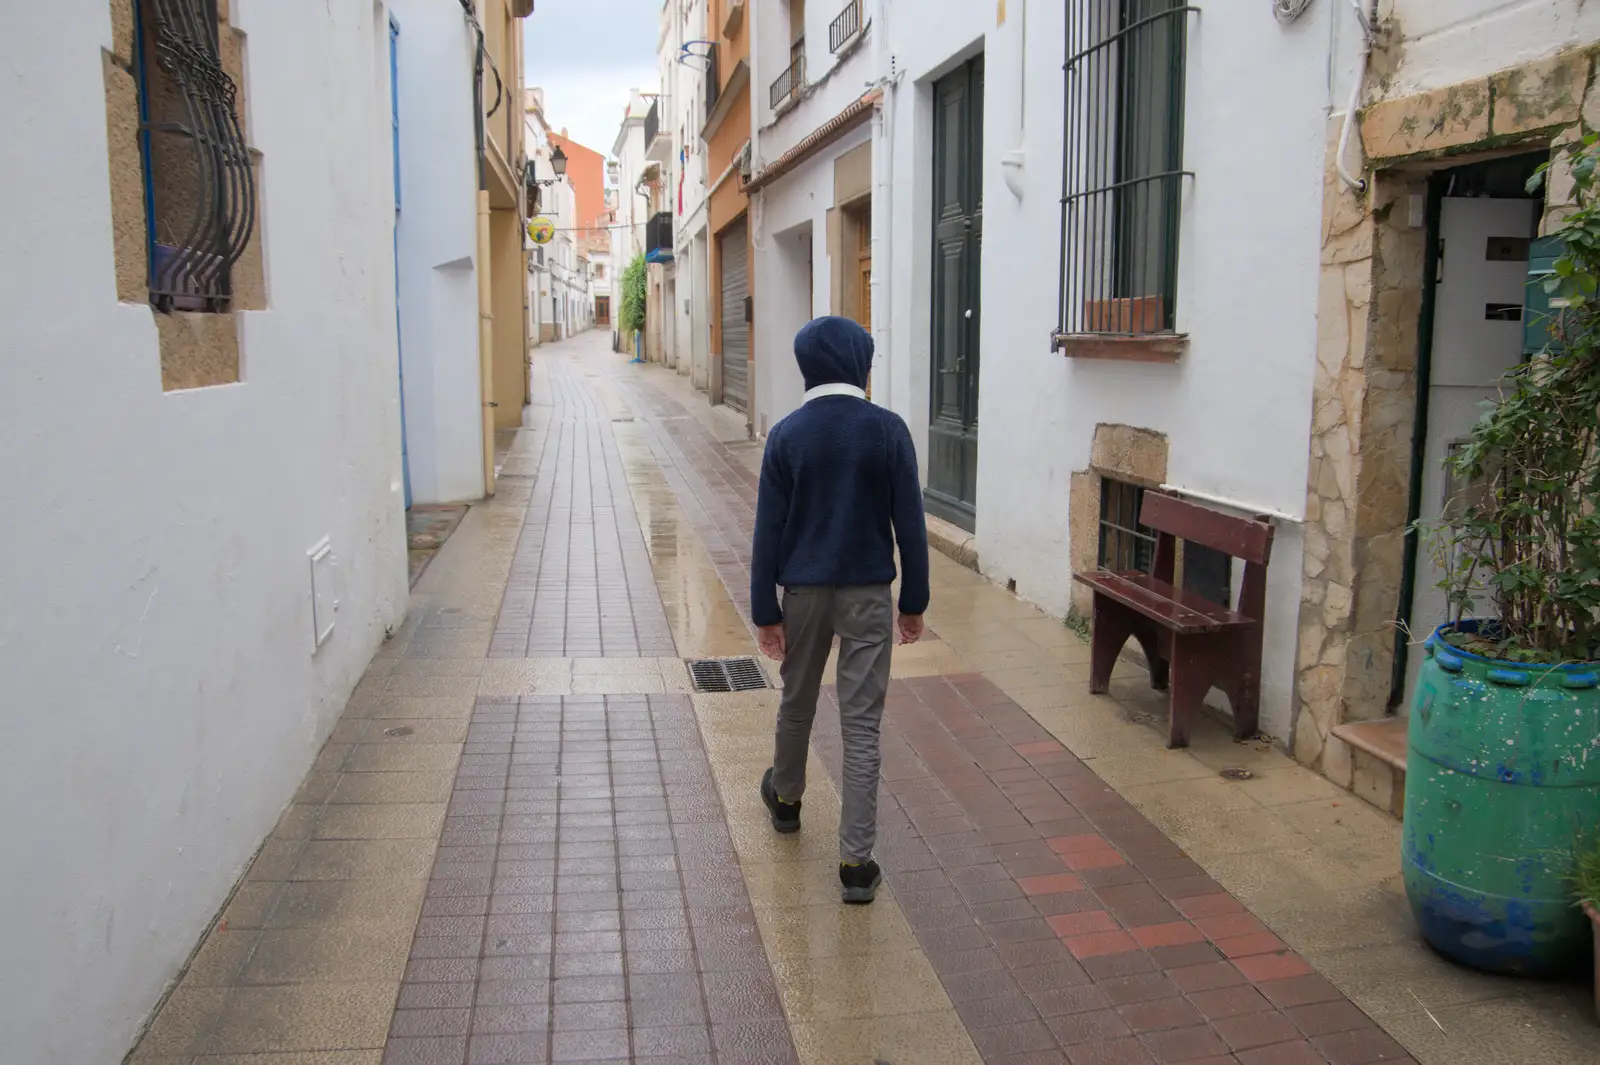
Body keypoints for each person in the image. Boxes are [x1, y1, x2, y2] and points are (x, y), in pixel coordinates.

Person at [749, 316, 930, 904]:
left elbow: (767, 530)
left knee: (796, 699)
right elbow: (911, 524)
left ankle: (787, 800)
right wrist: (914, 602)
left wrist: (763, 610)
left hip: (800, 595)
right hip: (868, 593)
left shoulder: (787, 434)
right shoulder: (887, 430)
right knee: (860, 722)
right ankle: (856, 860)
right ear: (860, 365)